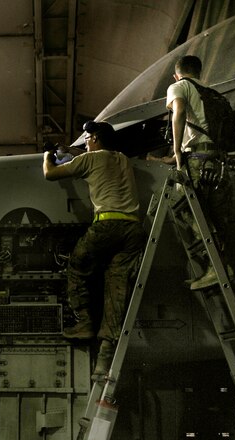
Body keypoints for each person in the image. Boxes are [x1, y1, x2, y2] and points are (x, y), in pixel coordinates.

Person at [43, 121, 145, 380]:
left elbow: (50, 174)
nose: (85, 142)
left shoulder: (90, 159)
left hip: (106, 225)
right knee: (116, 288)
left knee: (77, 265)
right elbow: (93, 159)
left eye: (87, 138)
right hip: (133, 229)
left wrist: (47, 155)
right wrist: (71, 150)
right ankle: (103, 362)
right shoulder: (121, 158)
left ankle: (84, 321)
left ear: (96, 139)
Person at [166, 55, 232, 290]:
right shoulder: (213, 94)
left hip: (196, 158)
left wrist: (176, 152)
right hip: (219, 161)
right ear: (199, 72)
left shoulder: (178, 86)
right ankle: (224, 267)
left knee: (182, 207)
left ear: (177, 74)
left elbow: (179, 112)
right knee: (216, 218)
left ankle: (214, 268)